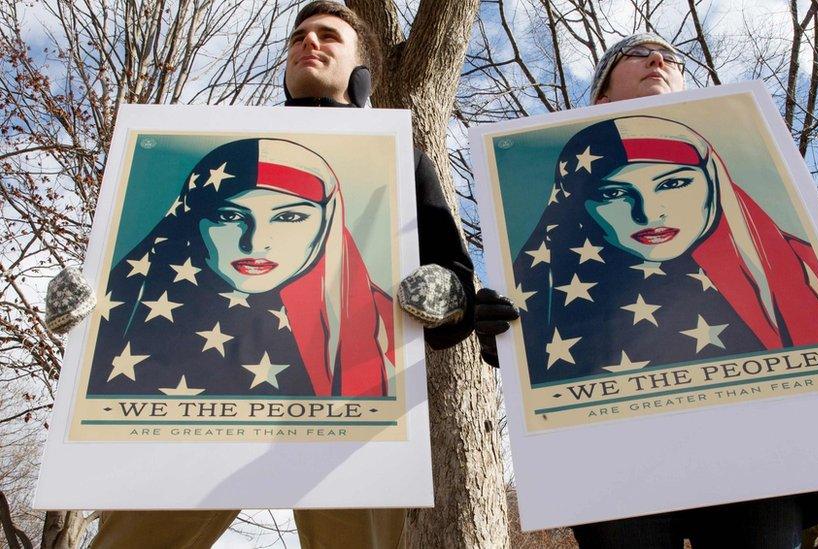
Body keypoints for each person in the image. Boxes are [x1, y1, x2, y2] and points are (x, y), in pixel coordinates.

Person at [42, 2, 513, 547]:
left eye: (328, 36)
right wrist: (91, 306)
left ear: (361, 69)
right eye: (298, 37)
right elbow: (132, 266)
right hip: (183, 397)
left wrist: (449, 297)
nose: (309, 43)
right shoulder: (214, 145)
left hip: (349, 397)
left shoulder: (398, 155)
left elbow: (451, 280)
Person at [563, 33, 818, 549]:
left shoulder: (776, 241)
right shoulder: (560, 240)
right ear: (601, 97)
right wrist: (500, 331)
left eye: (674, 183)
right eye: (635, 55)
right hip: (618, 460)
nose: (658, 59)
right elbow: (544, 345)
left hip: (760, 457)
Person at [516, 115, 818, 385]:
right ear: (577, 205)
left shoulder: (797, 264)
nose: (647, 213)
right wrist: (509, 338)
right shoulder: (550, 291)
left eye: (672, 183)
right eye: (613, 194)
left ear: (713, 183)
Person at [87, 138, 395, 397]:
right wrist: (80, 326)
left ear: (327, 222)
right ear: (193, 219)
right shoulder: (131, 309)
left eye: (289, 217)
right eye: (229, 217)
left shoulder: (384, 326)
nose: (255, 242)